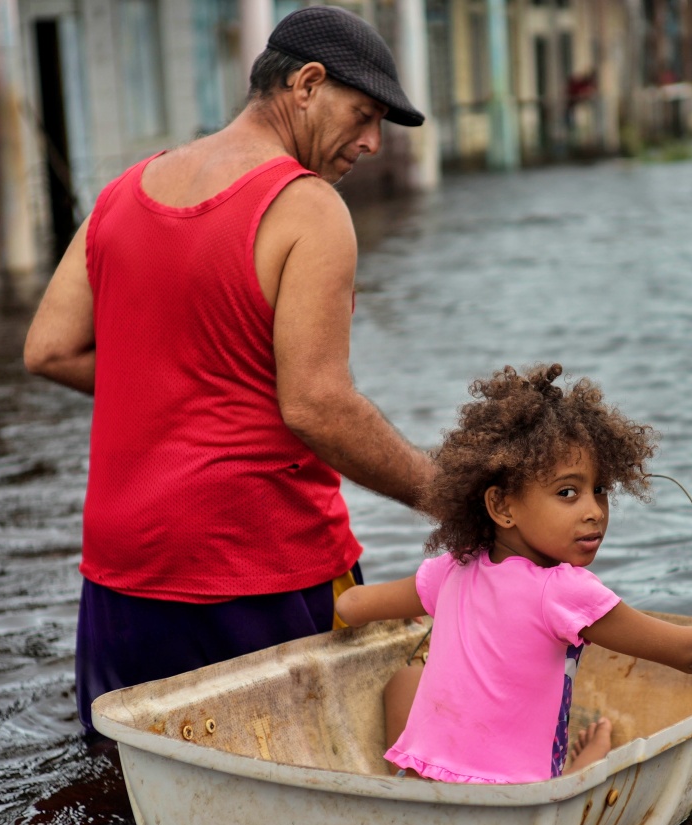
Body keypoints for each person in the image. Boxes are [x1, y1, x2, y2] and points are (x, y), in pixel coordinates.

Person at [22, 7, 435, 733]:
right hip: (257, 565)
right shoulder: (308, 208)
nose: (372, 141)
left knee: (135, 794)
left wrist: (183, 377)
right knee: (308, 780)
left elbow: (49, 348)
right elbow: (317, 406)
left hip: (123, 573)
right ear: (307, 84)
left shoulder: (123, 191)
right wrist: (450, 497)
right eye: (364, 114)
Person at [334, 365, 692, 784]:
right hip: (514, 800)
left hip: (424, 787)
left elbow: (351, 607)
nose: (595, 511)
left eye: (601, 491)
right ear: (502, 505)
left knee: (405, 677)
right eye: (568, 493)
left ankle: (400, 781)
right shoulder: (564, 592)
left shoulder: (455, 566)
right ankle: (589, 760)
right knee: (589, 752)